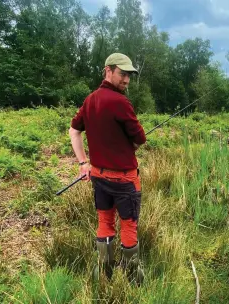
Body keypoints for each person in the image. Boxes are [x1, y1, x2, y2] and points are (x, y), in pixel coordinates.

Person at [68, 53, 146, 285]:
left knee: (104, 222)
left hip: (99, 177)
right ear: (108, 71)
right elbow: (140, 139)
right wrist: (130, 145)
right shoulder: (121, 102)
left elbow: (74, 130)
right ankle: (133, 279)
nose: (126, 80)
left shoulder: (90, 99)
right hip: (125, 180)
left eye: (129, 76)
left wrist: (84, 163)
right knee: (129, 224)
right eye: (122, 74)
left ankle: (104, 274)